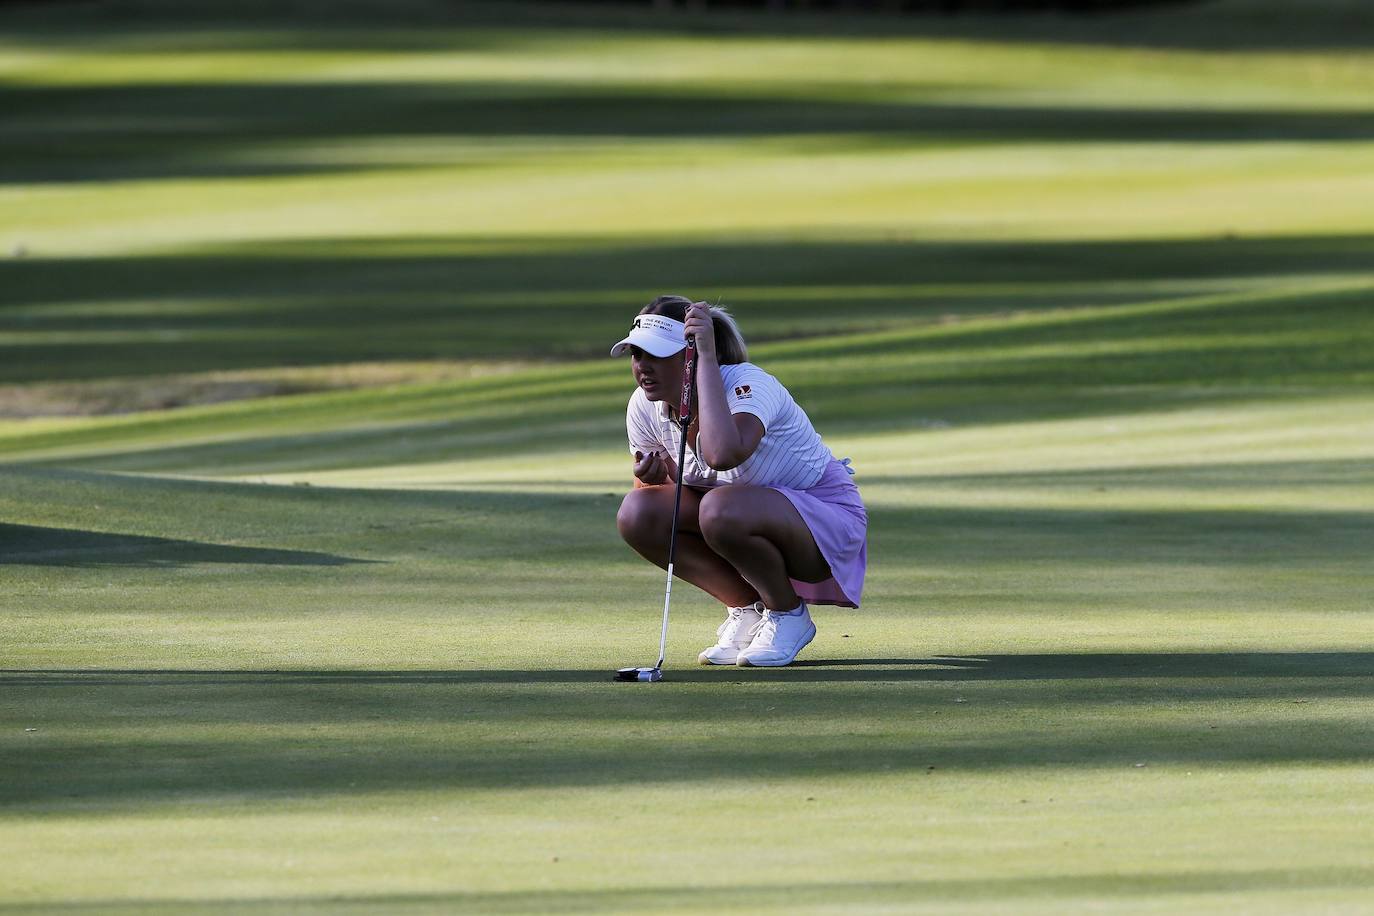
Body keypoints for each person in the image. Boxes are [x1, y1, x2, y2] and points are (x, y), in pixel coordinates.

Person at [611, 295, 868, 667]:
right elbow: (655, 508)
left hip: (824, 526)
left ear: (690, 354)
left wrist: (708, 362)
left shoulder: (748, 384)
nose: (642, 367)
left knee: (720, 509)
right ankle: (746, 610)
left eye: (657, 356)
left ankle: (787, 615)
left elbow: (722, 454)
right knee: (637, 513)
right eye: (637, 355)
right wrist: (653, 480)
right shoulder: (643, 405)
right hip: (738, 515)